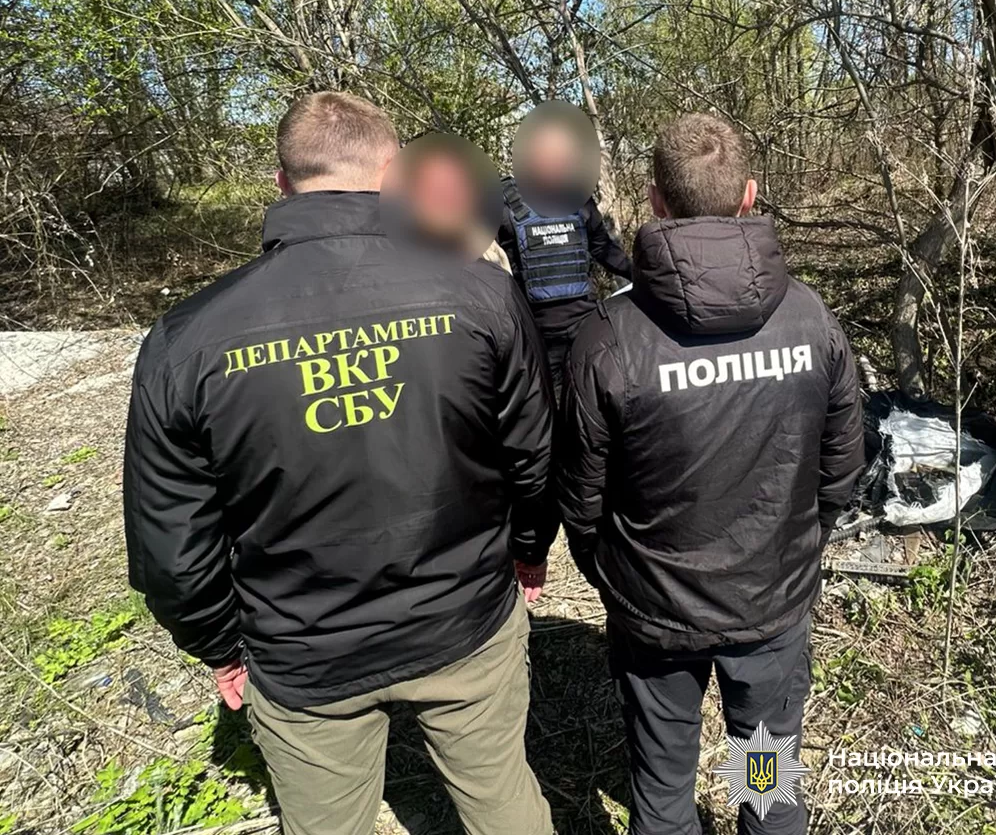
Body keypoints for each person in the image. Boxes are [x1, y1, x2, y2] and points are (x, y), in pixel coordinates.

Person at [123, 92, 556, 835]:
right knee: (503, 801)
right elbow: (532, 454)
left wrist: (217, 642)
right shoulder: (481, 292)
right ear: (395, 176)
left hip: (305, 651)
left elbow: (171, 541)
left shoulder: (187, 339)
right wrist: (530, 548)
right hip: (460, 621)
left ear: (282, 182)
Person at [558, 112, 865, 835]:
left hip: (659, 613)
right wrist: (796, 549)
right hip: (766, 604)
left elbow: (580, 497)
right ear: (749, 195)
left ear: (655, 201)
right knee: (767, 781)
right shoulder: (810, 319)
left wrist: (612, 573)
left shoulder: (608, 336)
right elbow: (843, 467)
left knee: (664, 791)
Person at [498, 109, 632, 401]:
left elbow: (603, 249)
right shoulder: (502, 200)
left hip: (584, 329)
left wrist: (641, 274)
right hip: (533, 335)